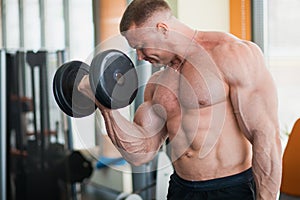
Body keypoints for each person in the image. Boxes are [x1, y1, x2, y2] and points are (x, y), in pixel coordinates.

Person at [78, 0, 282, 199]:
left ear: (162, 29)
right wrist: (106, 107)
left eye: (141, 46)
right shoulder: (157, 82)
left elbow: (265, 135)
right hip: (181, 189)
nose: (139, 57)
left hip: (231, 188)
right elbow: (140, 154)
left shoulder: (231, 55)